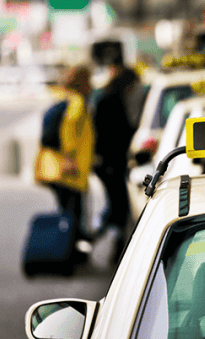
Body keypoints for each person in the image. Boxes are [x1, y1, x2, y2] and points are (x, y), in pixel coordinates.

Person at [35, 64, 95, 263]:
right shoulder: (76, 100)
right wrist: (70, 158)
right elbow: (69, 128)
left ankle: (67, 251)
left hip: (55, 167)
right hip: (69, 170)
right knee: (73, 214)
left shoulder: (62, 97)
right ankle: (69, 254)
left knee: (67, 212)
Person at [91, 63, 142, 263]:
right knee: (118, 206)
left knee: (115, 205)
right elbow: (121, 132)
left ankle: (100, 237)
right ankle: (99, 238)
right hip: (111, 163)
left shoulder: (105, 99)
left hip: (106, 162)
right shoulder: (114, 102)